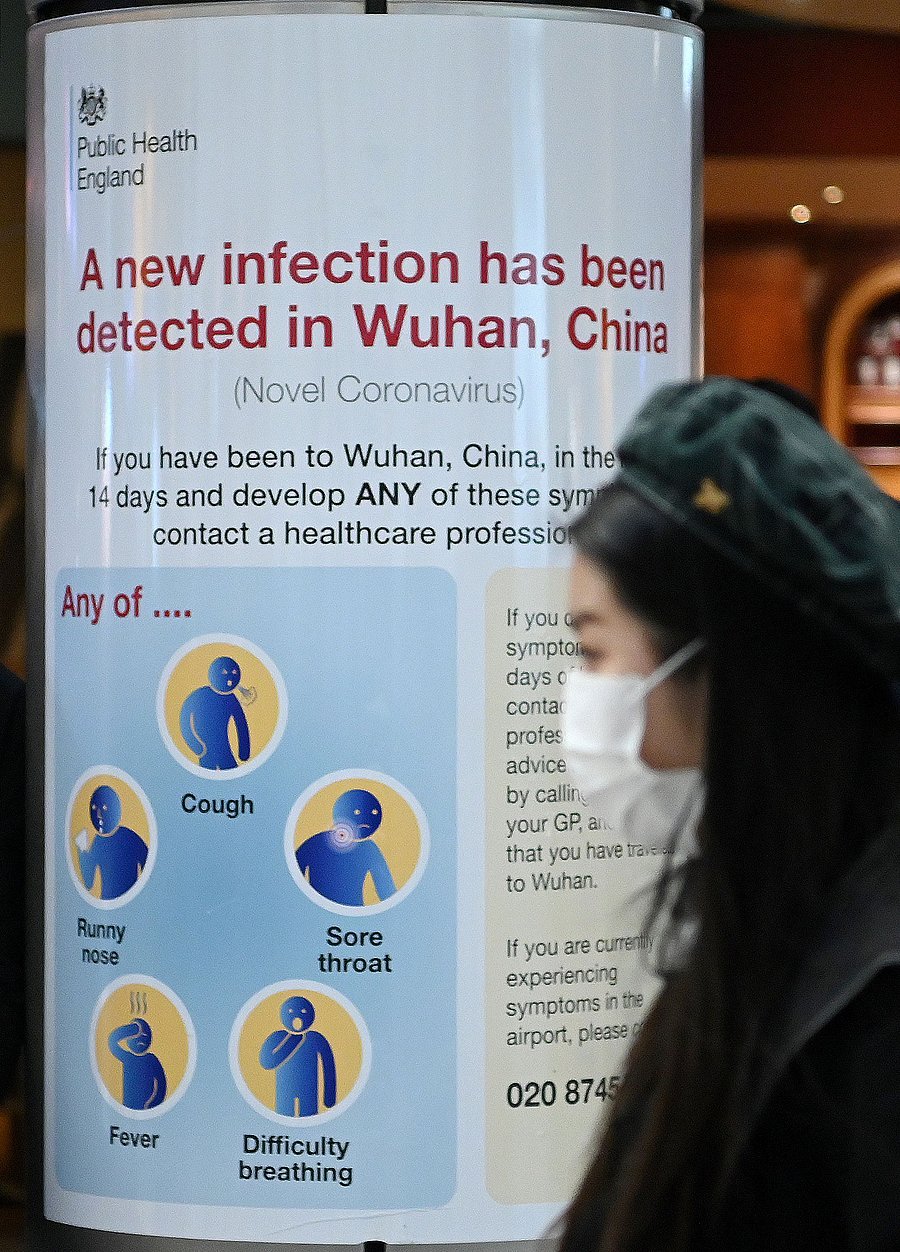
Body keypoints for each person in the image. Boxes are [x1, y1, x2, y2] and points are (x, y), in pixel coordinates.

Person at [558, 378, 900, 1252]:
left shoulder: (873, 1015)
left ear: (727, 672)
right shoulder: (759, 925)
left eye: (593, 651)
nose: (579, 695)